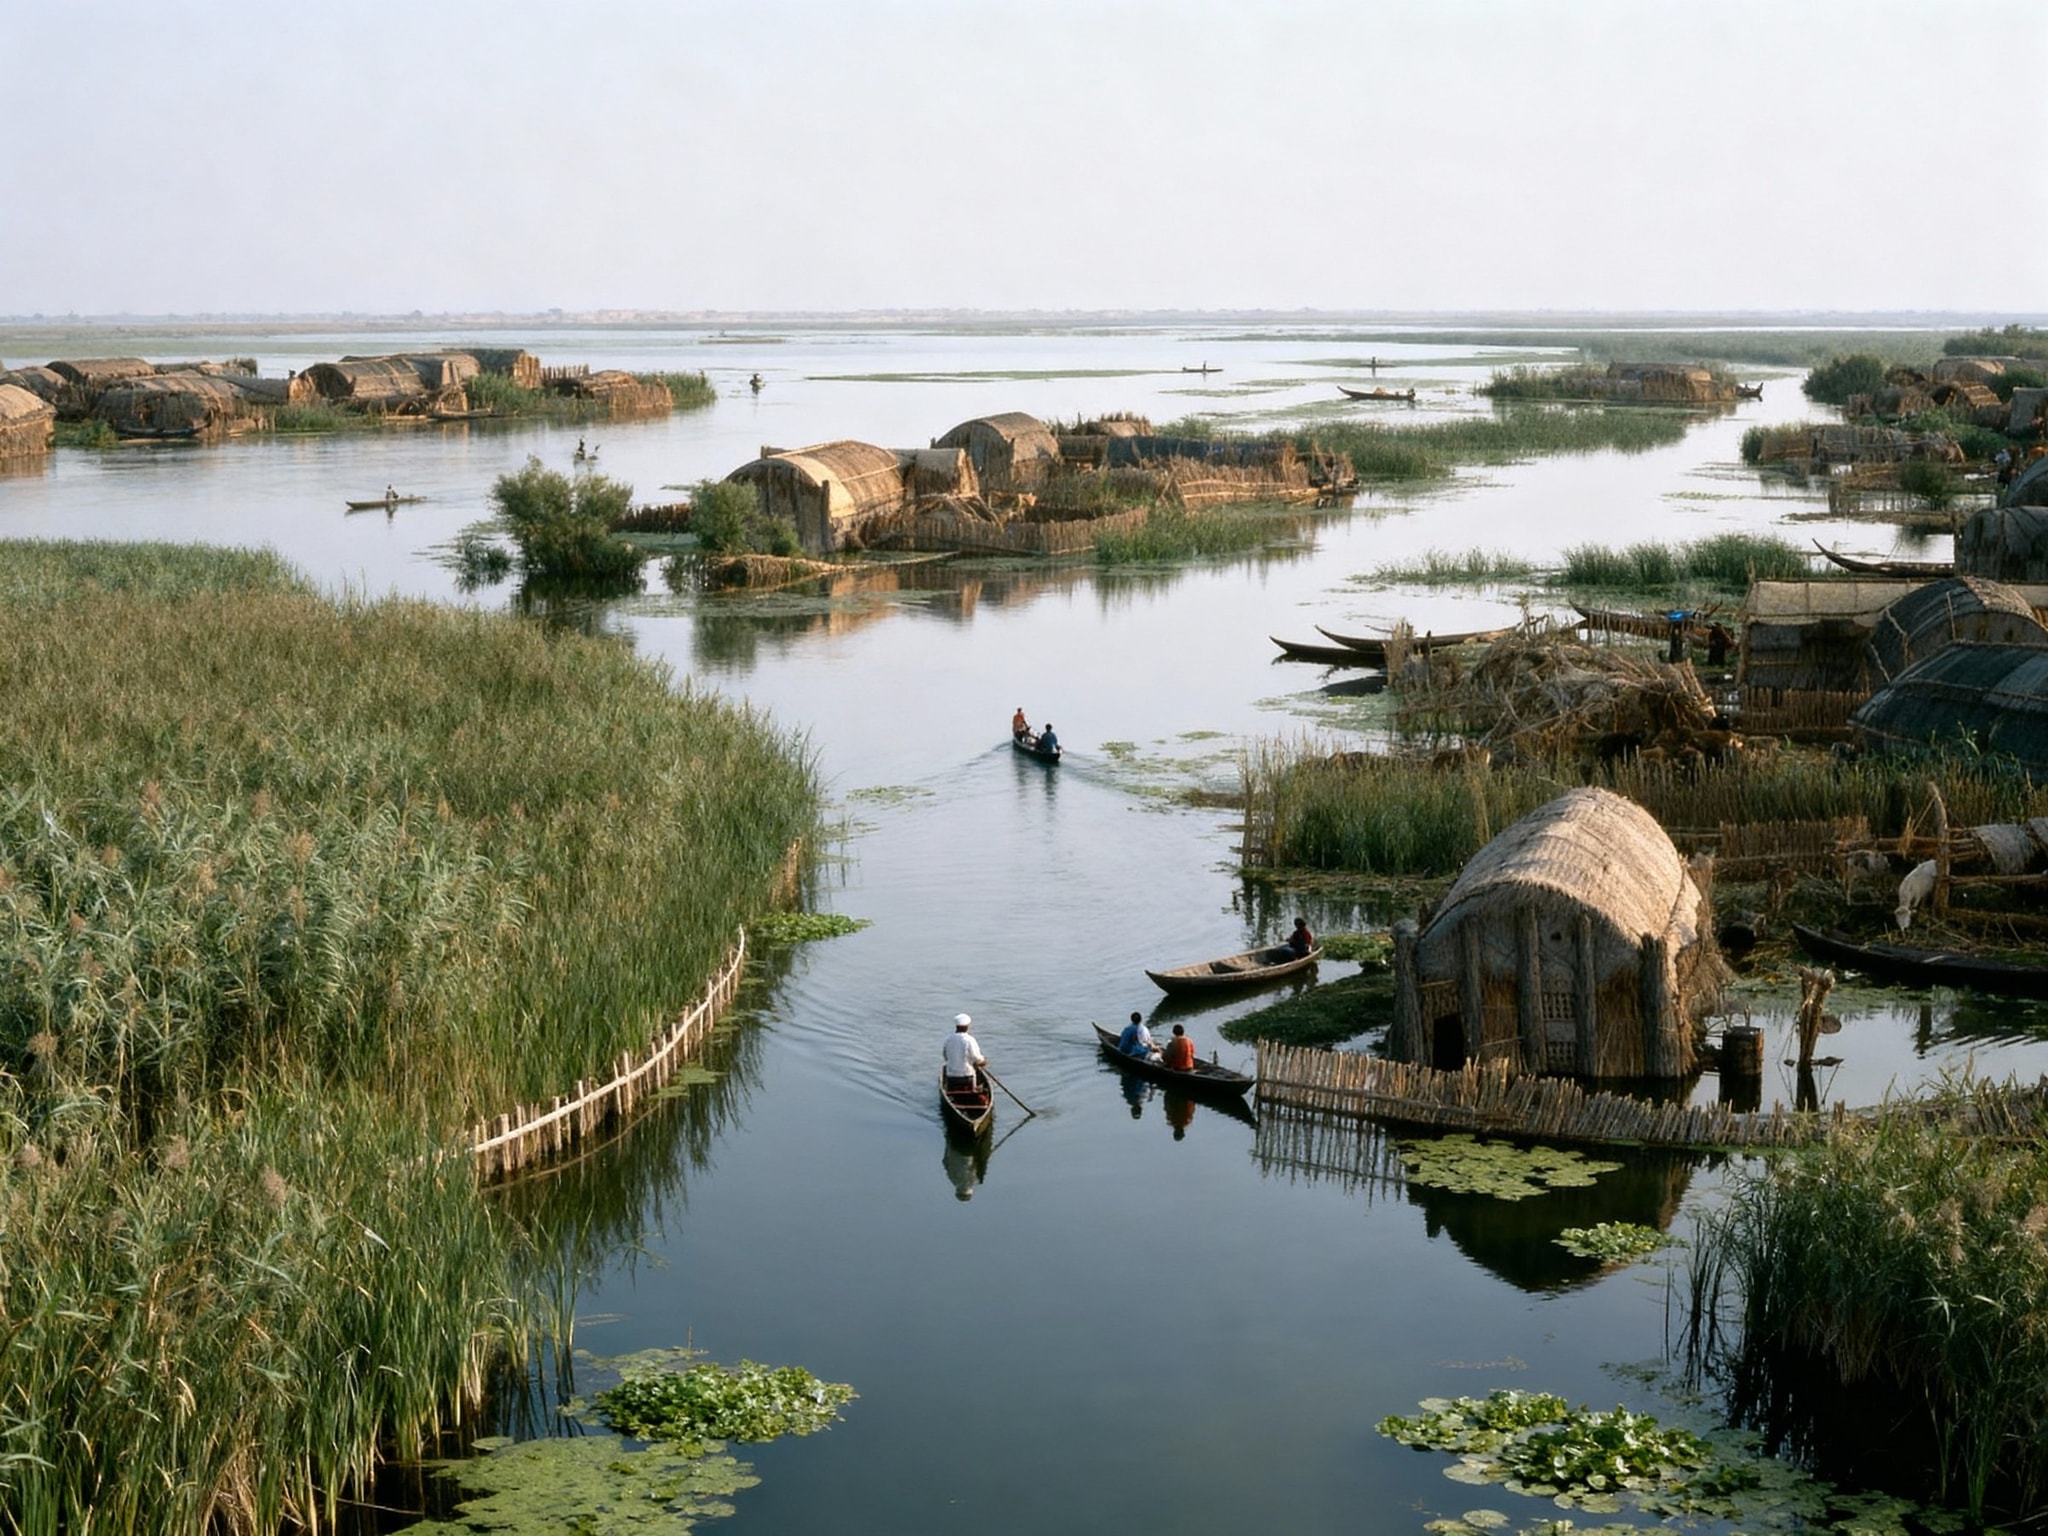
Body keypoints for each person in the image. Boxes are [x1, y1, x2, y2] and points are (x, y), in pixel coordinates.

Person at [942, 1013, 987, 1088]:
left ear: (956, 1026)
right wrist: (983, 1061)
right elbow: (976, 1058)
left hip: (951, 1077)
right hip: (967, 1077)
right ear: (967, 1027)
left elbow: (946, 1057)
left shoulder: (948, 1039)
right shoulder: (970, 1040)